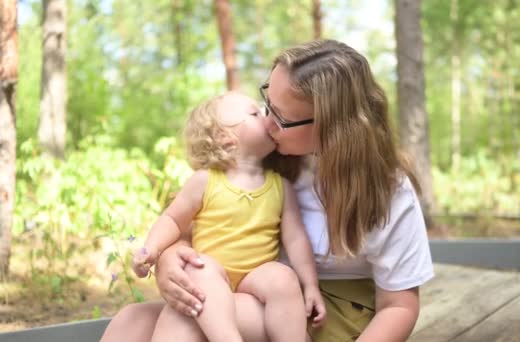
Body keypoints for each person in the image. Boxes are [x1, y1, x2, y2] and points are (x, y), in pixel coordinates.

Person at [101, 39, 434, 342]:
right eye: (266, 103)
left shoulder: (388, 188)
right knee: (131, 320)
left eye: (281, 116)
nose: (266, 122)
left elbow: (399, 307)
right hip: (258, 291)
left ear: (331, 126)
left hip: (324, 311)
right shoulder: (269, 157)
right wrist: (171, 261)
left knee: (188, 321)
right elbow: (192, 221)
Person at [129, 92, 325, 342]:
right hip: (213, 275)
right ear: (224, 137)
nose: (268, 119)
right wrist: (151, 249)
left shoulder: (280, 186)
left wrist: (310, 285)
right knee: (199, 267)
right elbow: (173, 220)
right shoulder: (205, 181)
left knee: (283, 276)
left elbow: (296, 239)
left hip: (255, 278)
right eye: (255, 114)